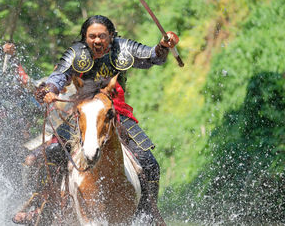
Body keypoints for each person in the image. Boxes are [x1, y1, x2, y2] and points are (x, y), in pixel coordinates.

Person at [14, 15, 179, 224]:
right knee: (50, 154)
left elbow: (151, 56)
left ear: (111, 36)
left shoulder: (123, 48)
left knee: (149, 163)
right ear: (85, 37)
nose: (97, 41)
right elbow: (58, 77)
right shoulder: (76, 53)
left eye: (102, 36)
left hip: (114, 113)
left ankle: (147, 215)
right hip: (82, 114)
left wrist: (164, 45)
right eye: (92, 36)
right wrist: (48, 90)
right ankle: (41, 206)